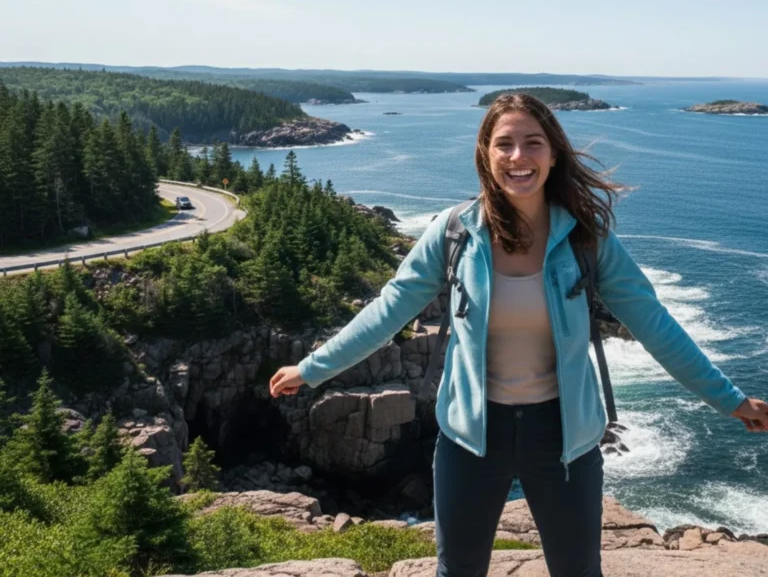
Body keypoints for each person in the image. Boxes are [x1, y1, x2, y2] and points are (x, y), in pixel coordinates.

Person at [270, 93, 768, 577]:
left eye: (533, 143)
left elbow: (656, 326)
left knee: (576, 571)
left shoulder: (586, 237)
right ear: (486, 156)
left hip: (564, 439)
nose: (518, 157)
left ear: (553, 154)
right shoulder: (453, 234)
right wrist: (312, 369)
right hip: (469, 437)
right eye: (504, 144)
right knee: (459, 570)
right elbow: (386, 312)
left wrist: (730, 400)